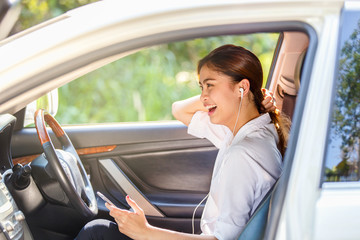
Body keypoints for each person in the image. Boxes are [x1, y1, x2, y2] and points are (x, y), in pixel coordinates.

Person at [75, 44, 290, 240]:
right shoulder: (246, 131)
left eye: (210, 85)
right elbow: (179, 109)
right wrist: (245, 96)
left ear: (241, 87)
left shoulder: (242, 154)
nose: (203, 97)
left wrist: (146, 232)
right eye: (201, 87)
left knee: (96, 233)